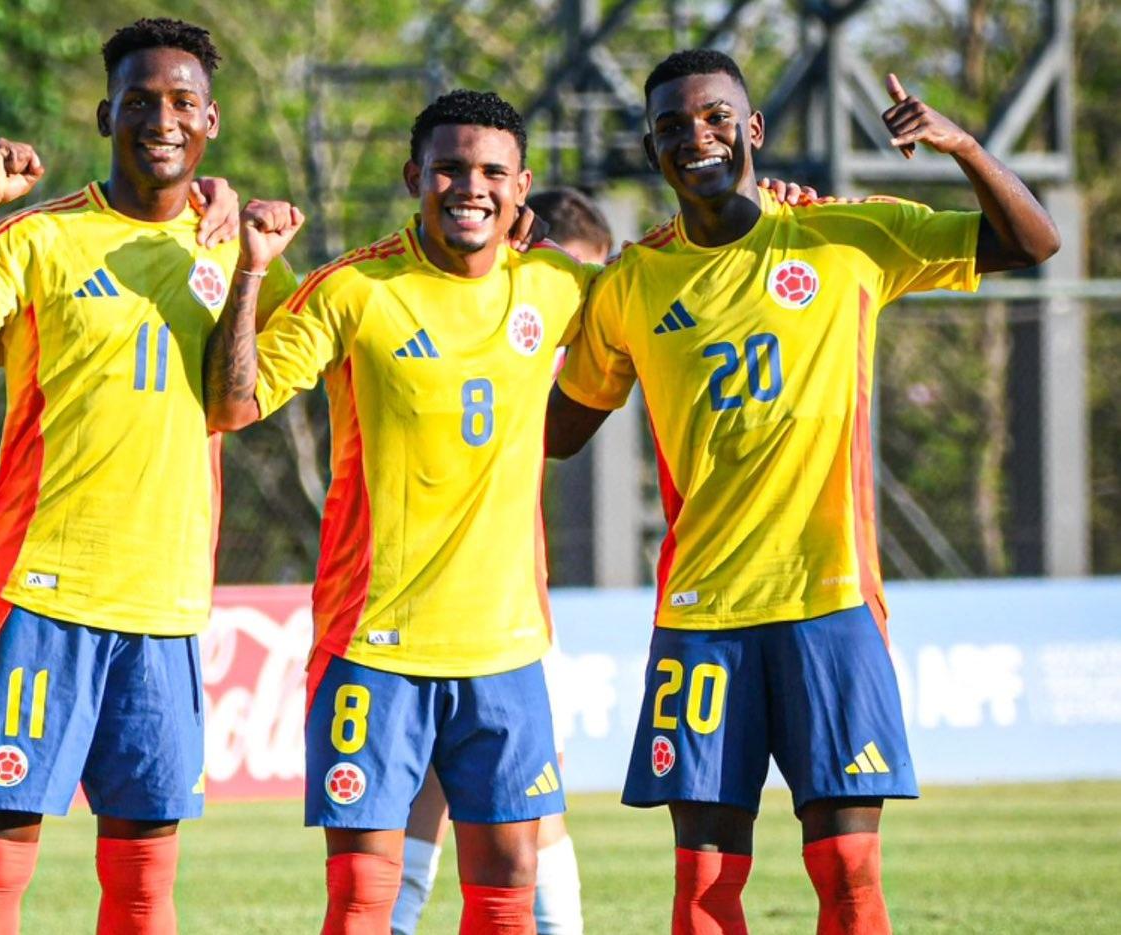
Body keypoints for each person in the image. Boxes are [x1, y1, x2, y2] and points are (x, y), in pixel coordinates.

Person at [545, 49, 1059, 935]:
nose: (694, 137)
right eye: (672, 126)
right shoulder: (632, 283)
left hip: (831, 605)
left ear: (754, 130)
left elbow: (1031, 242)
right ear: (652, 147)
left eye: (713, 118)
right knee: (703, 885)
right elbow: (556, 431)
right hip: (701, 613)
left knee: (850, 876)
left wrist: (963, 147)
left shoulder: (845, 236)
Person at [0, 18, 296, 935]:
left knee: (146, 885)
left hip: (165, 608)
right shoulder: (42, 240)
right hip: (41, 593)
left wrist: (241, 260)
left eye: (183, 103)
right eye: (142, 100)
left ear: (212, 122)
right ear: (105, 110)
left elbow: (234, 401)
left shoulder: (230, 245)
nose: (162, 118)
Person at [204, 89, 603, 935]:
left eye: (493, 171)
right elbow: (234, 404)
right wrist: (248, 272)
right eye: (451, 167)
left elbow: (681, 290)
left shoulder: (558, 285)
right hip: (372, 644)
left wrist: (782, 204)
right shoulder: (354, 290)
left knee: (507, 887)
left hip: (505, 650)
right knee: (363, 899)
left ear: (522, 188)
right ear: (413, 174)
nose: (471, 186)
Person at [390, 186, 612, 935]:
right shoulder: (494, 321)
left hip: (506, 597)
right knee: (500, 794)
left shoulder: (529, 338)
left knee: (489, 794)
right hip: (441, 597)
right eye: (573, 273)